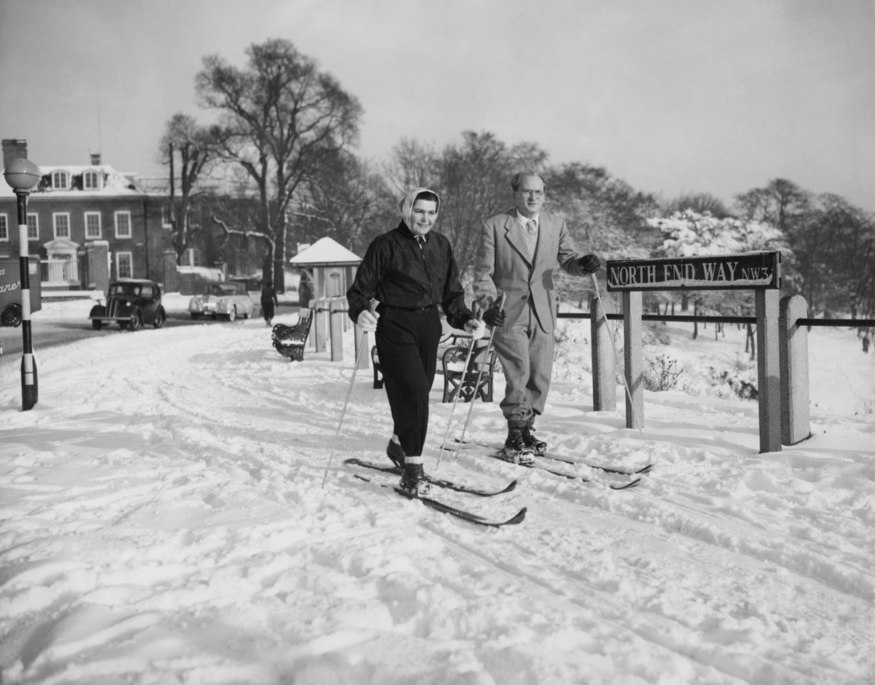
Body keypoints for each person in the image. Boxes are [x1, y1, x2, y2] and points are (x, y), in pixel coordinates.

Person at [347, 188, 485, 496]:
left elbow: (451, 293)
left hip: (428, 325)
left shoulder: (440, 244)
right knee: (415, 390)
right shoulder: (385, 245)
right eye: (419, 211)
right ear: (406, 209)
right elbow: (360, 291)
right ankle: (413, 467)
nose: (425, 218)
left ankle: (399, 443)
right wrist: (360, 313)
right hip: (394, 323)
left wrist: (465, 319)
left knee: (416, 392)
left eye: (431, 213)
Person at [473, 171, 601, 463]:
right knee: (518, 370)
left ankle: (528, 427)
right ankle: (514, 431)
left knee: (540, 375)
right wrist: (489, 304)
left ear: (545, 195)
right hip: (508, 312)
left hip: (543, 310)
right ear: (515, 194)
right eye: (527, 192)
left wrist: (583, 264)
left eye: (539, 193)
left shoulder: (555, 224)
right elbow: (482, 274)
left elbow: (568, 260)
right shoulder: (494, 226)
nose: (533, 198)